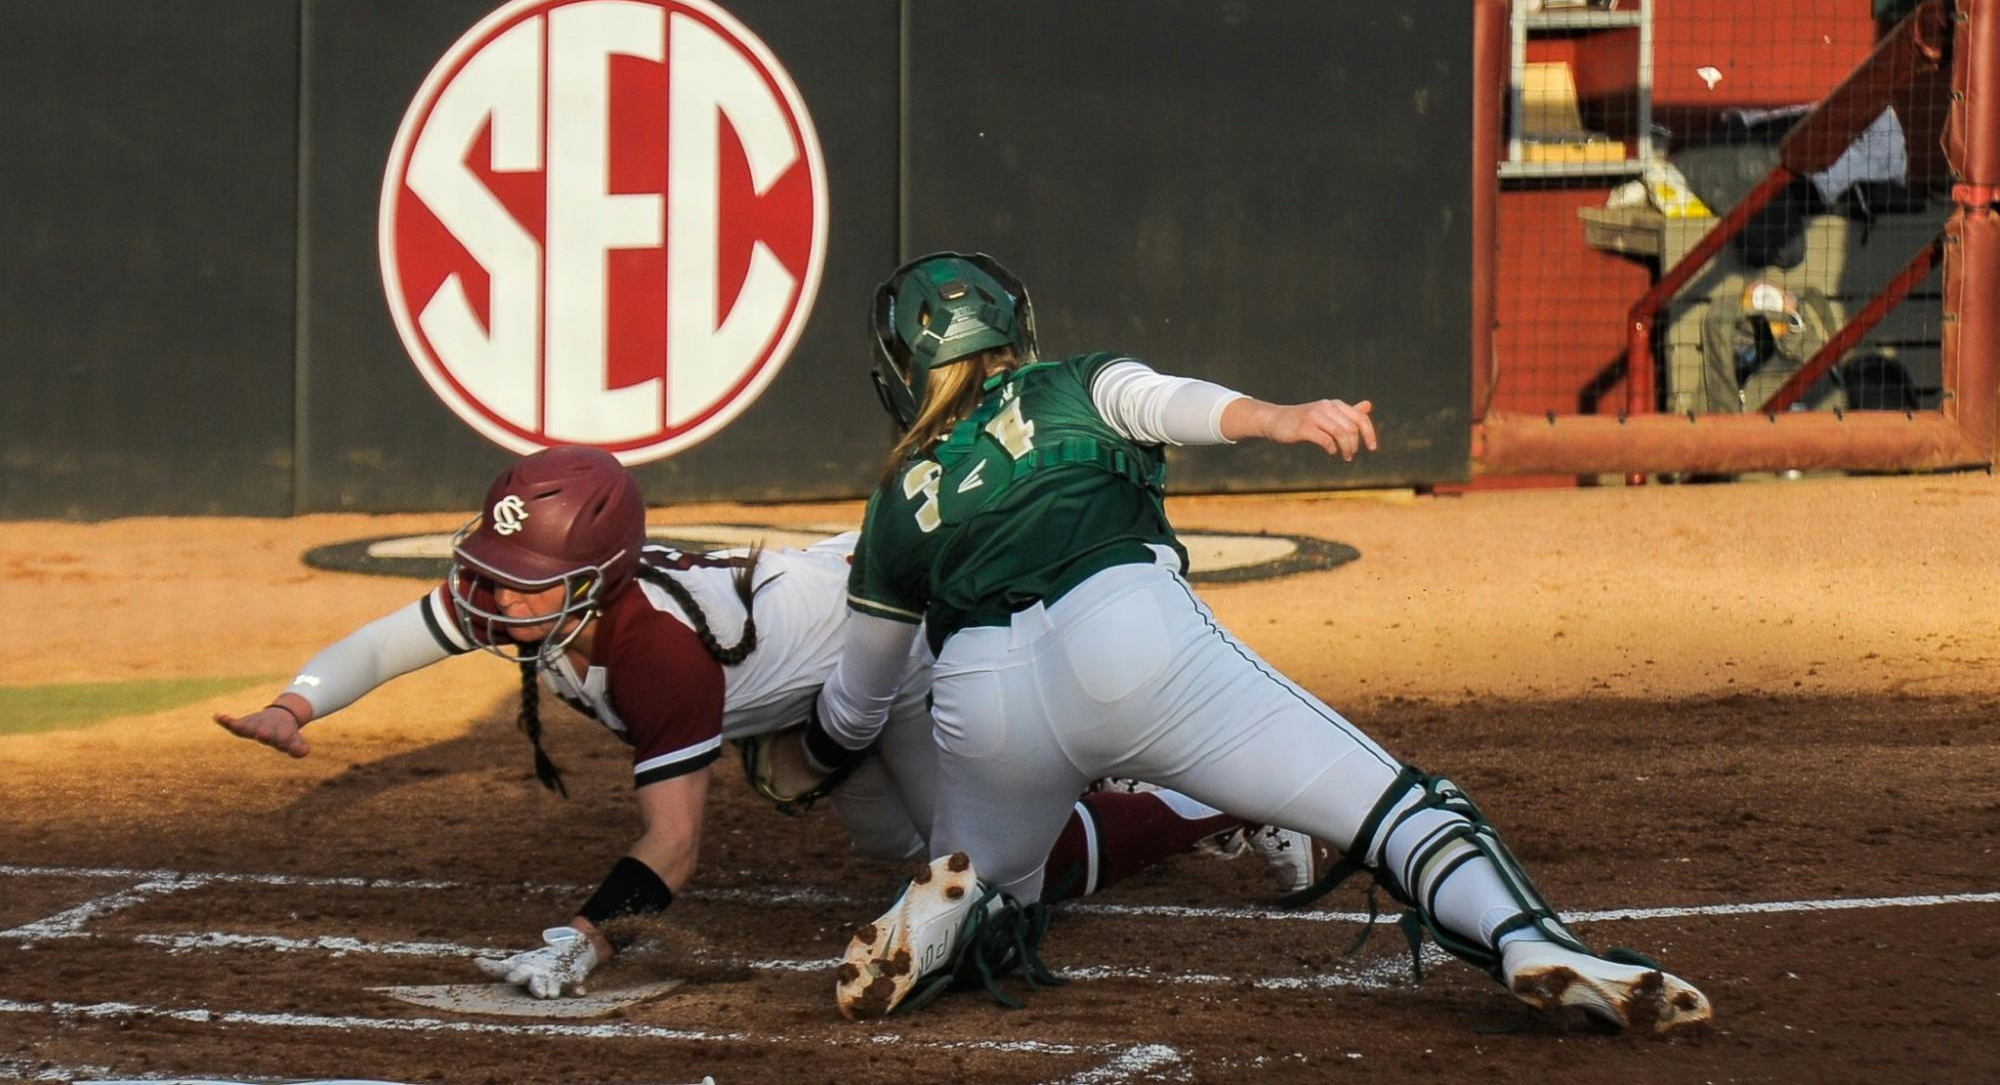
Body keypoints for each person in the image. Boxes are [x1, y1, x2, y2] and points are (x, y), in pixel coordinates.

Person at [807, 252, 1713, 1034]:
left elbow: (858, 705)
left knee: (995, 887)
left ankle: (945, 915)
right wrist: (1282, 417)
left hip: (983, 697)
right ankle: (1528, 942)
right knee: (1406, 810)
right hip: (1126, 632)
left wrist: (799, 754)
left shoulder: (894, 501)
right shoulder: (1068, 383)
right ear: (1019, 328)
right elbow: (1171, 403)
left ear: (895, 372)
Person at [216, 446, 1317, 999]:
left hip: (910, 627)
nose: (494, 597)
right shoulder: (544, 605)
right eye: (494, 575)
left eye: (520, 583)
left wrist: (586, 936)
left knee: (989, 872)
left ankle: (1214, 796)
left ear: (595, 581)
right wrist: (294, 702)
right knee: (900, 849)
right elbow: (391, 637)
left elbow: (674, 842)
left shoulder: (655, 656)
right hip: (829, 667)